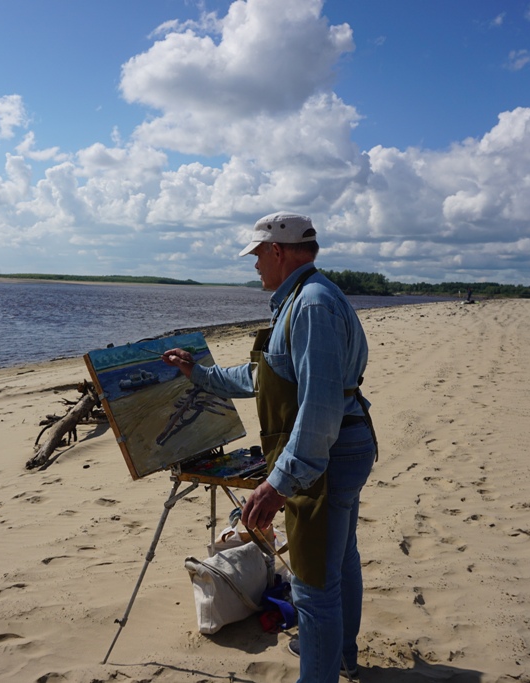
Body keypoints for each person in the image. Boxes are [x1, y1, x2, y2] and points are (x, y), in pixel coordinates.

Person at [162, 211, 377, 682]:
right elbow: (265, 375)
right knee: (339, 560)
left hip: (326, 454)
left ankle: (322, 667)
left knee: (313, 583)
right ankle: (340, 653)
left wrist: (279, 484)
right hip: (338, 447)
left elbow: (318, 407)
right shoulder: (307, 297)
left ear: (277, 251)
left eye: (258, 255)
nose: (255, 265)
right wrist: (199, 374)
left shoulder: (311, 305)